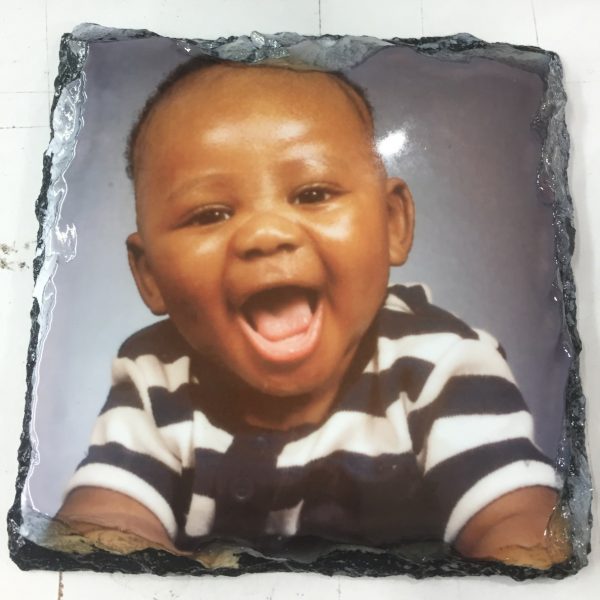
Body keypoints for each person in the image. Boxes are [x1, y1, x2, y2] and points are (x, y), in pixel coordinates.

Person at [57, 55, 564, 566]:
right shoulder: (156, 378)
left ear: (391, 222)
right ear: (150, 275)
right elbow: (103, 522)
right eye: (210, 214)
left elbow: (518, 523)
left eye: (313, 194)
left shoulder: (440, 366)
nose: (266, 234)